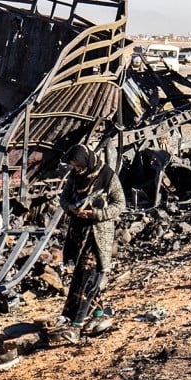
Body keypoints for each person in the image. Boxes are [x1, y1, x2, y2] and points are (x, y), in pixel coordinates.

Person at [55, 143, 126, 342]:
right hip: (78, 235)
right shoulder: (75, 177)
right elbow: (64, 199)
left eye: (78, 165)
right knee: (82, 277)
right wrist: (71, 208)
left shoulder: (107, 176)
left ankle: (75, 326)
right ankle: (99, 314)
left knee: (87, 279)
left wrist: (95, 213)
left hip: (98, 235)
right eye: (74, 165)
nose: (76, 168)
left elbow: (119, 204)